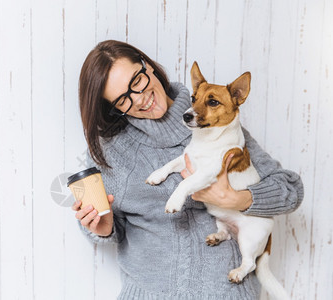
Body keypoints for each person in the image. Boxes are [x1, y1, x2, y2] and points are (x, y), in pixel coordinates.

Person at [72, 40, 303, 299]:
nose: (139, 98)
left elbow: (291, 189)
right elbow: (105, 221)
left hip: (227, 293)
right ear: (112, 108)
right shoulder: (113, 150)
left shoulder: (220, 125)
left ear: (147, 66)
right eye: (122, 99)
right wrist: (105, 228)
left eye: (136, 80)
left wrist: (237, 199)